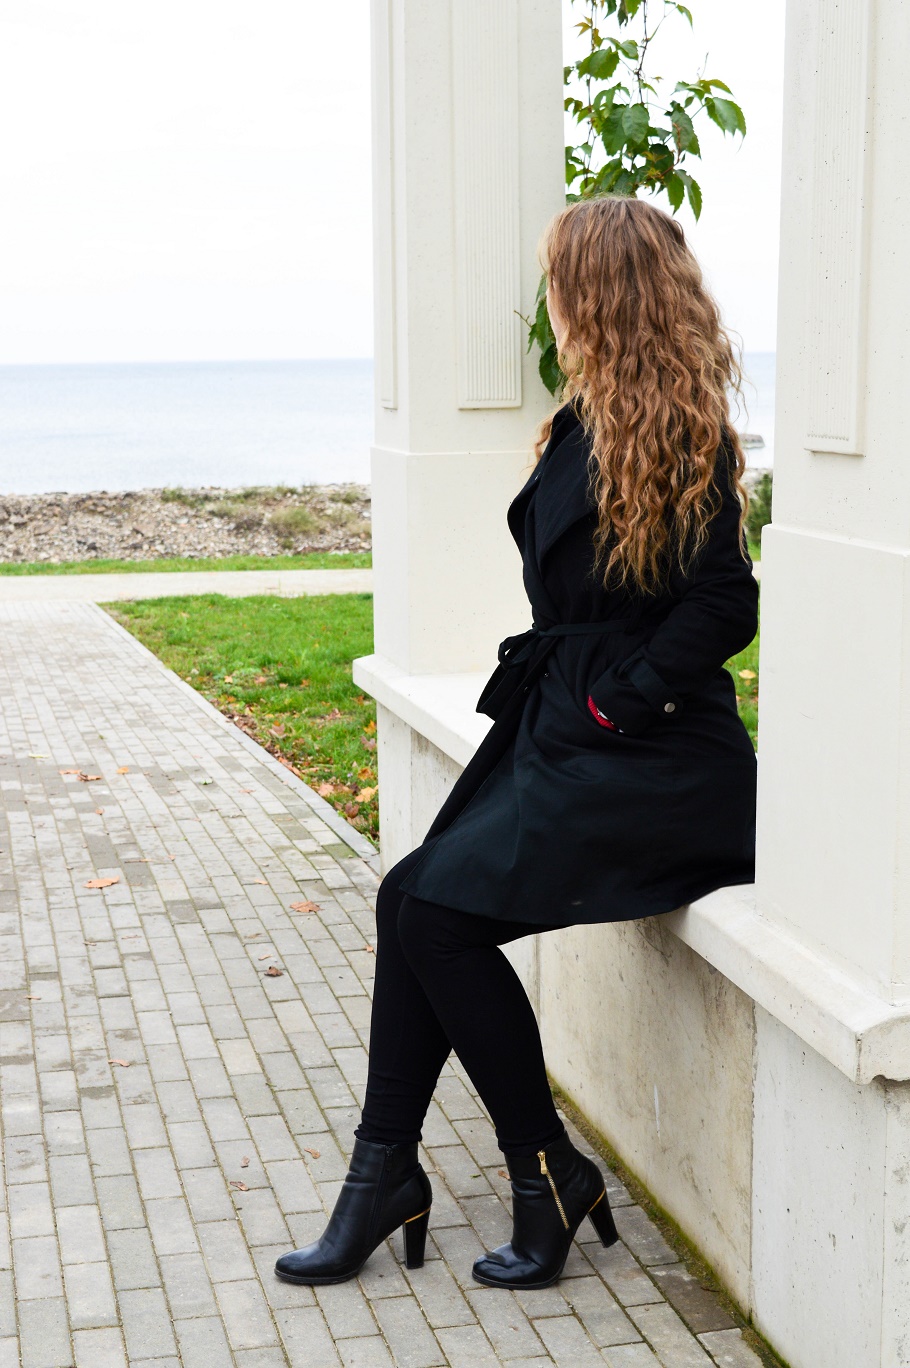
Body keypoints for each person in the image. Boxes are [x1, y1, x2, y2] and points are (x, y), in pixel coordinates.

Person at [275, 195, 759, 1291]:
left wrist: (621, 701)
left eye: (557, 280)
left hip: (652, 760)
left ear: (597, 292)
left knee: (436, 916)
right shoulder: (587, 420)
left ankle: (541, 1168)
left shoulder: (685, 430)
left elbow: (726, 602)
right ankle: (386, 1173)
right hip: (572, 733)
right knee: (410, 900)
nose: (548, 298)